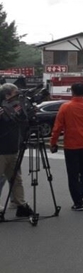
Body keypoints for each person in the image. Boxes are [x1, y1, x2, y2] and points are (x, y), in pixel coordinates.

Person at [50, 83, 83, 211]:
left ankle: (78, 202)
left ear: (72, 92)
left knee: (73, 174)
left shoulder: (65, 107)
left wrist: (53, 142)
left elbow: (57, 127)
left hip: (72, 145)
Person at [0, 83, 34, 217]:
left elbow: (24, 121)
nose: (18, 97)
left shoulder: (16, 107)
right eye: (16, 94)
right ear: (7, 95)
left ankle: (21, 204)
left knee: (16, 180)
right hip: (1, 151)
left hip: (13, 149)